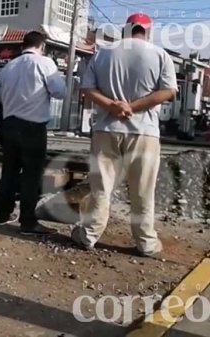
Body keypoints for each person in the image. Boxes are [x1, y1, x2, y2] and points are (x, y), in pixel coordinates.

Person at [71, 13, 178, 257]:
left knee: (101, 186)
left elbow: (86, 88)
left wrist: (113, 106)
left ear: (125, 30)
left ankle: (89, 235)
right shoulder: (160, 55)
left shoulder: (103, 53)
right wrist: (133, 108)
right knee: (142, 190)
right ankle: (146, 243)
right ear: (147, 31)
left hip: (106, 130)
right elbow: (168, 91)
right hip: (144, 132)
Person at [0, 31, 67, 235]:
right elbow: (60, 92)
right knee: (31, 175)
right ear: (42, 47)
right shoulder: (44, 64)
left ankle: (1, 214)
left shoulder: (7, 67)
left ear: (21, 46)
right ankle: (27, 222)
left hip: (8, 125)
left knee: (9, 171)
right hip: (32, 127)